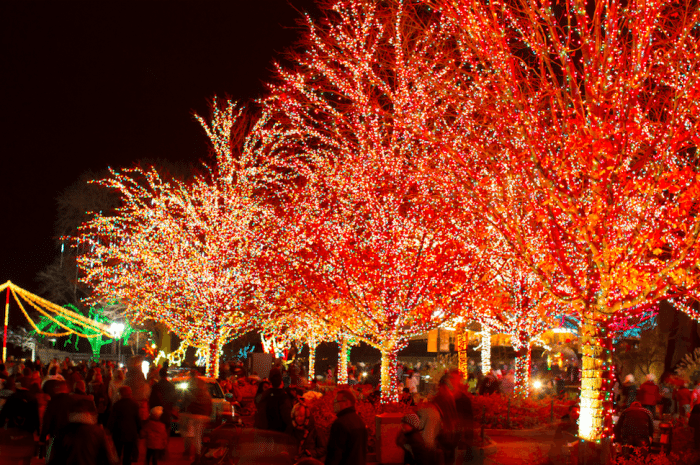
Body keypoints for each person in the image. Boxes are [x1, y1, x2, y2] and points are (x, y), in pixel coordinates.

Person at [46, 397, 118, 465]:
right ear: (89, 414)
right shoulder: (99, 432)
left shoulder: (61, 432)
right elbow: (110, 459)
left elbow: (51, 458)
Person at [325, 389, 367, 465]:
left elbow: (334, 454)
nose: (334, 404)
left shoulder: (340, 423)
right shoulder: (360, 421)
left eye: (336, 401)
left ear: (347, 403)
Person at [109, 385, 142, 465]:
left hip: (118, 432)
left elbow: (112, 419)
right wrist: (139, 429)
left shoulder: (116, 405)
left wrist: (109, 429)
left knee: (117, 452)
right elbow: (137, 418)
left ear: (120, 394)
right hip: (131, 432)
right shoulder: (134, 404)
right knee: (128, 454)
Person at [258, 368, 293, 433]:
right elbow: (288, 419)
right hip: (279, 434)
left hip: (264, 433)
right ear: (281, 381)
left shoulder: (264, 395)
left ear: (270, 381)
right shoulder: (284, 397)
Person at [149, 367, 176, 435]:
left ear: (159, 375)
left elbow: (152, 399)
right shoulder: (171, 386)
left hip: (157, 410)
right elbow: (174, 398)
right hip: (167, 409)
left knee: (157, 429)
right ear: (166, 375)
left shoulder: (156, 386)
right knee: (166, 428)